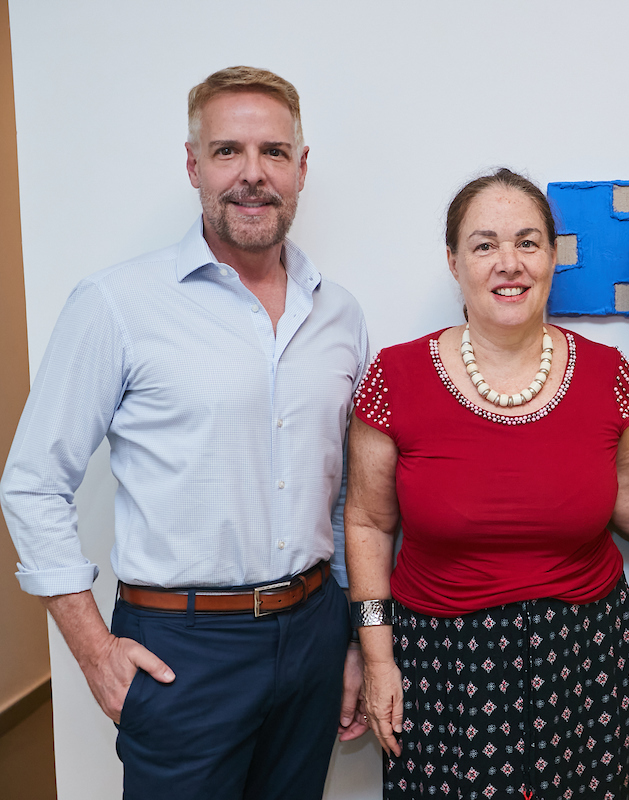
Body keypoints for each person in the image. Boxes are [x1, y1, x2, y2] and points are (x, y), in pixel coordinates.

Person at [0, 66, 370, 799]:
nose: (252, 175)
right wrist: (93, 650)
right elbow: (33, 482)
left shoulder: (341, 313)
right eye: (229, 150)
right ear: (194, 164)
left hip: (313, 634)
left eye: (273, 153)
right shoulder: (116, 304)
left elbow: (344, 492)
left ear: (300, 167)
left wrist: (351, 637)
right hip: (183, 649)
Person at [345, 168, 629, 800]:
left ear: (552, 257)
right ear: (454, 262)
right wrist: (377, 659)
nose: (508, 263)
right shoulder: (395, 377)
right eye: (485, 245)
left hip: (587, 664)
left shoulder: (607, 374)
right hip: (446, 669)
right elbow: (369, 522)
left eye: (528, 242)